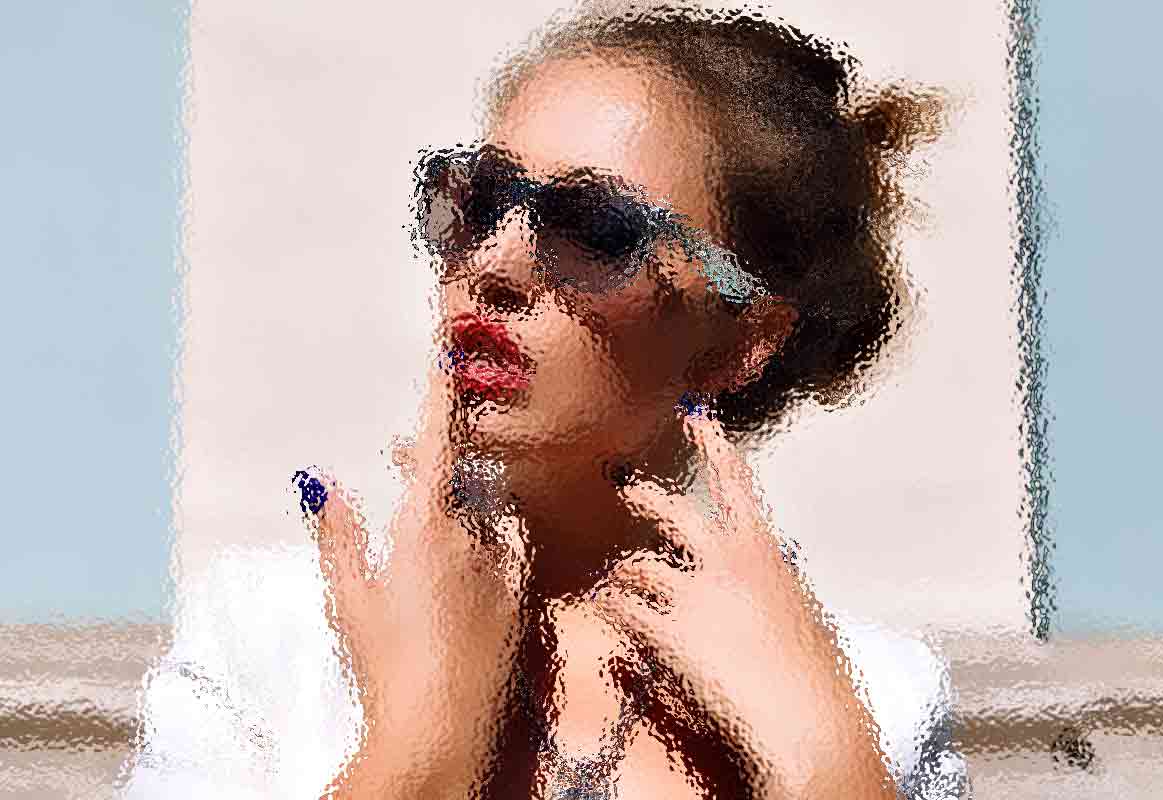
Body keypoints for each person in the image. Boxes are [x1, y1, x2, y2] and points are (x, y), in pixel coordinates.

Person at [124, 4, 967, 798]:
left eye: (596, 228)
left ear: (738, 341)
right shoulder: (273, 639)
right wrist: (420, 755)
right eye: (481, 200)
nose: (494, 264)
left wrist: (831, 773)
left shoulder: (874, 700)